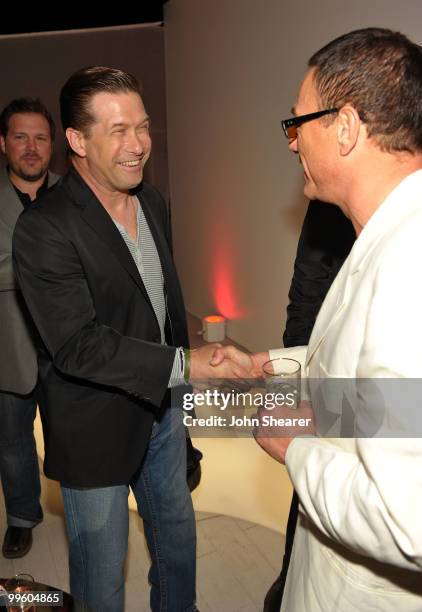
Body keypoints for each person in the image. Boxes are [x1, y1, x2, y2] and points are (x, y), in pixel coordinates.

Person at [12, 67, 247, 612]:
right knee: (101, 574)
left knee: (178, 547)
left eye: (142, 127)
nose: (138, 145)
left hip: (162, 415)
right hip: (94, 427)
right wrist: (188, 363)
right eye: (118, 131)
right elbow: (77, 346)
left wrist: (179, 402)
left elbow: (161, 308)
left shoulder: (154, 202)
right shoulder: (45, 227)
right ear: (76, 140)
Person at [217, 27, 422, 611]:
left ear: (348, 128)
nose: (290, 143)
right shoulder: (385, 232)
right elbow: (383, 394)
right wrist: (273, 364)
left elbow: (405, 520)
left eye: (297, 122)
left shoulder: (411, 263)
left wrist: (294, 446)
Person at [264, 201, 354, 611]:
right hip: (326, 389)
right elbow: (305, 297)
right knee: (308, 496)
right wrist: (298, 382)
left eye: (298, 130)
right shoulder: (329, 205)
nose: (293, 142)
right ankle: (290, 580)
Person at [0, 98, 59, 558]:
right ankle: (21, 516)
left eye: (40, 137)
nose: (31, 147)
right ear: (4, 144)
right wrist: (39, 266)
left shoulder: (75, 194)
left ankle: (81, 504)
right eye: (21, 137)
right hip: (9, 347)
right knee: (14, 441)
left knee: (73, 436)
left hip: (69, 346)